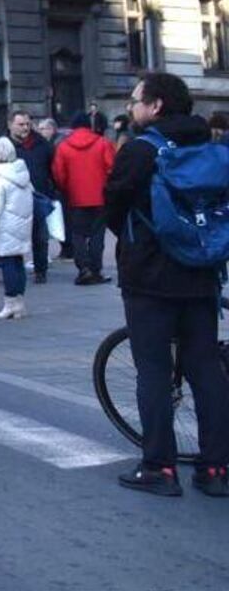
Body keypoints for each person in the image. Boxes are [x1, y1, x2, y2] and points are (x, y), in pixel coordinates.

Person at [104, 73, 229, 496]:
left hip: (151, 278)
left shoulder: (140, 151)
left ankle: (159, 466)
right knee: (206, 369)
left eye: (136, 100)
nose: (130, 107)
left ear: (156, 106)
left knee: (154, 371)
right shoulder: (213, 148)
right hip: (202, 273)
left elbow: (114, 208)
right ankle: (216, 470)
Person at [52, 113, 115, 285]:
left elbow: (59, 174)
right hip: (100, 197)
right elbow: (112, 169)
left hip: (75, 197)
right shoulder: (103, 143)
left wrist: (66, 189)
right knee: (97, 235)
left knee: (78, 234)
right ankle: (96, 269)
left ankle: (83, 268)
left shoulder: (63, 146)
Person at [0, 138, 35, 320]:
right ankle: (18, 303)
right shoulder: (20, 173)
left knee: (7, 264)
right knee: (17, 263)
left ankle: (10, 303)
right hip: (20, 226)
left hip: (4, 228)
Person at [9, 111, 56, 284]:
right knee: (14, 236)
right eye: (21, 124)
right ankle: (15, 271)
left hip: (37, 195)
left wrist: (51, 191)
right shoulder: (6, 145)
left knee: (40, 237)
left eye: (27, 124)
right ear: (11, 125)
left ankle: (40, 270)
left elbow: (52, 169)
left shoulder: (41, 144)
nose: (25, 128)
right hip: (14, 198)